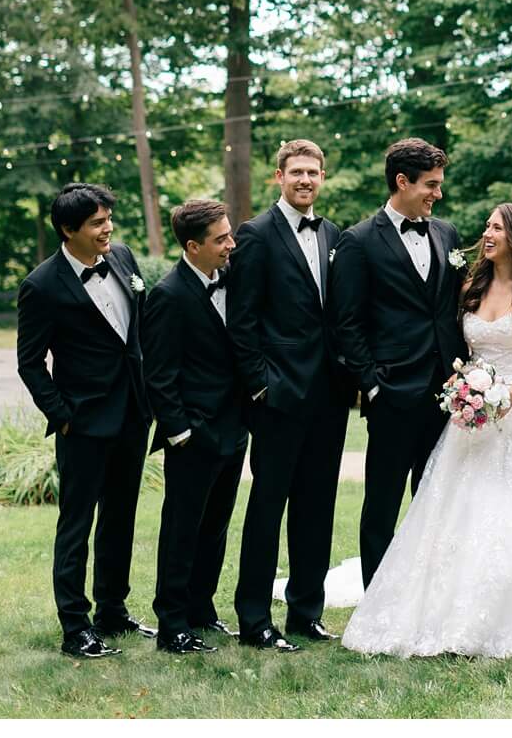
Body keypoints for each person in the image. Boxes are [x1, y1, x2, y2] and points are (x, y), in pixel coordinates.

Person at [341, 203, 512, 658]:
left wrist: (506, 398)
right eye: (488, 226)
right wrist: (470, 393)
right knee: (452, 511)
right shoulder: (471, 285)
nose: (487, 232)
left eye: (496, 226)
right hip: (469, 414)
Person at [14, 182, 154, 658]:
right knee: (77, 525)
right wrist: (62, 415)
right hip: (85, 424)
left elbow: (139, 328)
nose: (108, 228)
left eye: (108, 218)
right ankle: (75, 626)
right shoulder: (41, 286)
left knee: (121, 518)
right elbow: (30, 363)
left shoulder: (125, 258)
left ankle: (112, 611)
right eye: (97, 223)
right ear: (68, 230)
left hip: (134, 414)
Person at [226, 138, 350, 650]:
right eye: (296, 172)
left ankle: (306, 611)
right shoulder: (254, 235)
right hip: (278, 395)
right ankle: (255, 618)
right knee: (267, 507)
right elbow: (242, 319)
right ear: (279, 176)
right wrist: (259, 384)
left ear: (322, 178)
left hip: (328, 395)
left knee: (317, 506)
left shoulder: (333, 235)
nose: (305, 180)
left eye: (313, 173)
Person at [329, 138, 465, 587]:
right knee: (382, 503)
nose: (438, 195)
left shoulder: (447, 234)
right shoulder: (359, 241)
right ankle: (378, 598)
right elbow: (347, 323)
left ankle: (431, 593)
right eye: (431, 185)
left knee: (437, 500)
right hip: (391, 394)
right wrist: (371, 384)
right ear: (401, 181)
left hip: (447, 393)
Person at [142, 198, 247, 656]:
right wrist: (180, 431)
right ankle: (172, 623)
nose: (231, 243)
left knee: (215, 526)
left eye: (229, 234)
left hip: (232, 428)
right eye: (221, 238)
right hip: (194, 434)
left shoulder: (232, 281)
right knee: (182, 528)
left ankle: (202, 608)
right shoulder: (168, 294)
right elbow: (158, 373)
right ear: (192, 245)